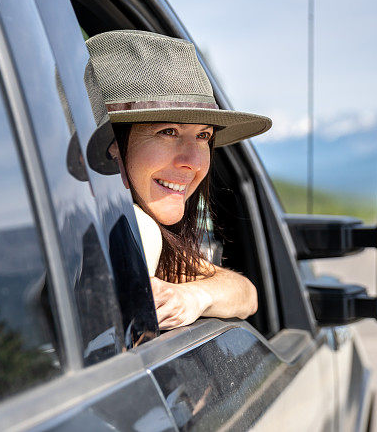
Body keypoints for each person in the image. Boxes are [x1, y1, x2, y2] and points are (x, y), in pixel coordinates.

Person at [85, 29, 272, 330]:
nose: (194, 163)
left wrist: (193, 297)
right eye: (168, 132)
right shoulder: (132, 232)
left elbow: (247, 295)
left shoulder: (135, 231)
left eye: (202, 136)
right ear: (112, 148)